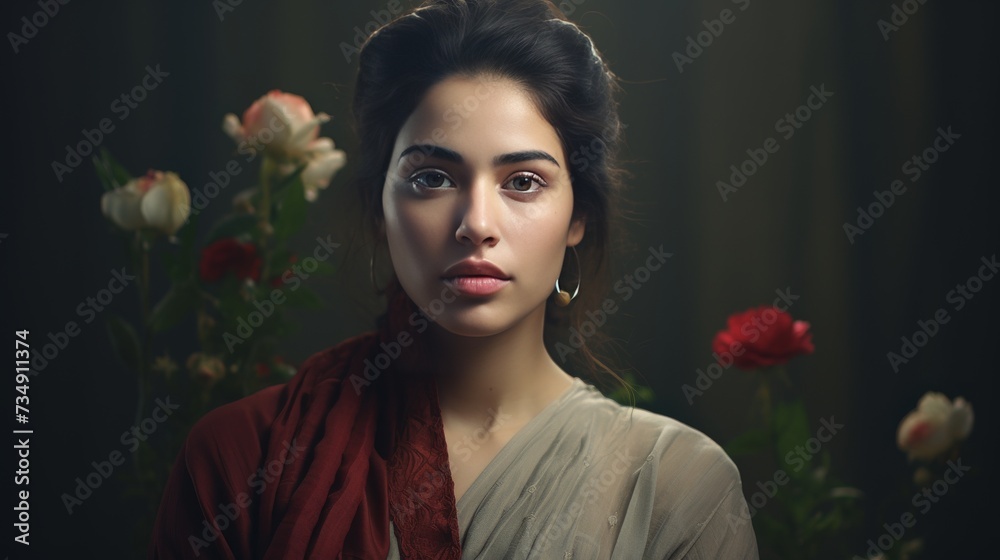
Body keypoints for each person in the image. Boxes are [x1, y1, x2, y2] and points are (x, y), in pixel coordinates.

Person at [149, 0, 760, 558]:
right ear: (378, 206)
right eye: (433, 179)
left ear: (579, 216)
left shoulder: (675, 481)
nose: (476, 224)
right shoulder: (244, 455)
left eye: (523, 181)